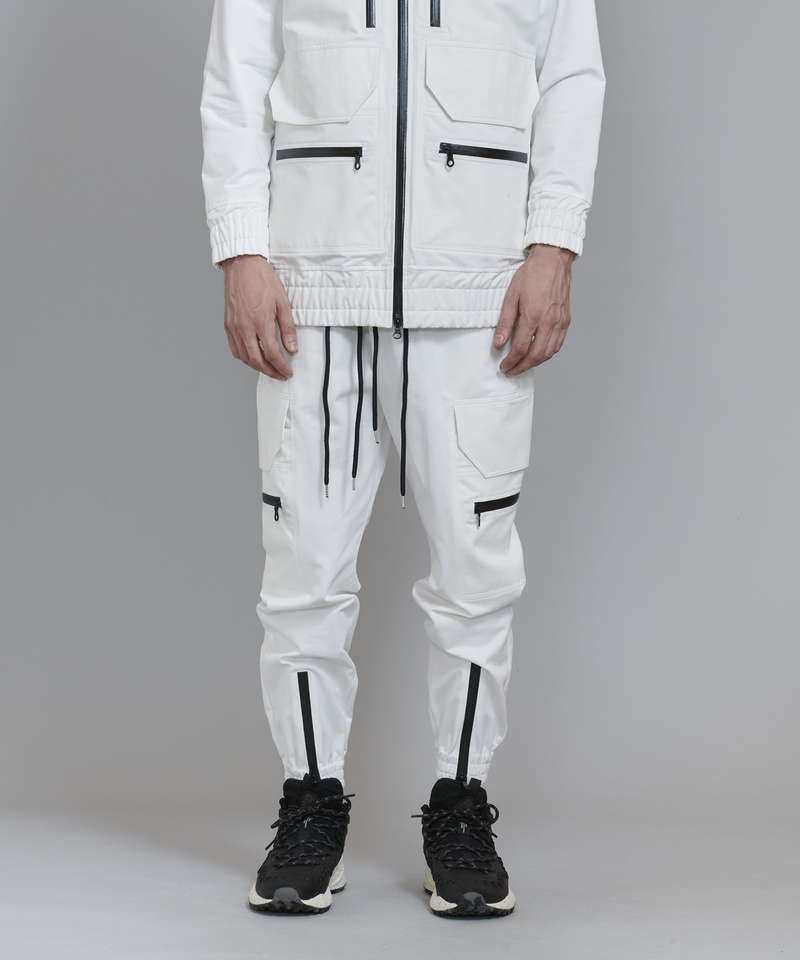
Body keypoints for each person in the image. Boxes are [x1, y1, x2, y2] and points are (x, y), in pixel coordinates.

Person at [201, 0, 604, 918]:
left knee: (476, 575)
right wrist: (242, 251)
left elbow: (572, 78)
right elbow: (235, 80)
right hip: (311, 284)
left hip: (476, 289)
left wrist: (553, 247)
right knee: (301, 572)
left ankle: (460, 806)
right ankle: (311, 801)